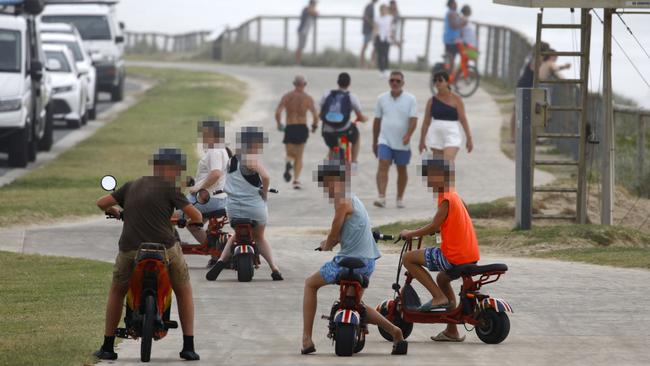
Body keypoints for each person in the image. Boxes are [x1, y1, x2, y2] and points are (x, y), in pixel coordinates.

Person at [94, 148, 202, 361]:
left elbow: (102, 203)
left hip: (130, 249)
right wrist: (194, 222)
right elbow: (196, 215)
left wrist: (117, 213)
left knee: (117, 292)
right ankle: (188, 346)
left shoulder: (131, 186)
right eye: (177, 169)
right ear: (169, 168)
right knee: (183, 289)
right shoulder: (171, 189)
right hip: (165, 250)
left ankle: (107, 346)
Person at [301, 160, 408, 355]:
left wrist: (327, 244)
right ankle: (395, 330)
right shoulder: (354, 199)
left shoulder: (342, 201)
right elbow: (344, 232)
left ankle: (306, 339)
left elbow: (335, 233)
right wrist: (332, 240)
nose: (328, 189)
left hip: (346, 262)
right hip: (367, 264)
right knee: (355, 305)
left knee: (310, 284)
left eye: (328, 184)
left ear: (338, 181)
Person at [399, 157, 480, 342]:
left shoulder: (445, 197)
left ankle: (437, 297)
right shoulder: (455, 195)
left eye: (429, 177)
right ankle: (452, 330)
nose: (428, 181)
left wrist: (410, 233)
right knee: (443, 278)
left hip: (453, 256)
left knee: (409, 258)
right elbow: (447, 222)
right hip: (470, 255)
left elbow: (434, 226)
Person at [206, 127, 283, 281]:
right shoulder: (250, 158)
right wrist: (264, 193)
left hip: (233, 209)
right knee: (259, 237)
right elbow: (266, 177)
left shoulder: (231, 160)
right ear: (254, 143)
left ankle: (221, 261)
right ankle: (274, 268)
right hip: (254, 208)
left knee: (235, 234)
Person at [184, 119, 230, 268]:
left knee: (168, 212)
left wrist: (198, 188)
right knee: (193, 225)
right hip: (218, 198)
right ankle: (216, 253)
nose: (202, 137)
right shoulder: (222, 149)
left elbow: (216, 174)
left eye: (203, 134)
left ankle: (169, 247)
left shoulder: (214, 151)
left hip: (207, 199)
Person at [372, 70, 418, 209]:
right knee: (383, 163)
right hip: (384, 139)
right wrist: (375, 141)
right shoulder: (381, 98)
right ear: (389, 82)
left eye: (398, 81)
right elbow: (377, 121)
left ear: (403, 83)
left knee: (401, 169)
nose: (395, 83)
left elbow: (414, 119)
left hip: (402, 142)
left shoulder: (411, 99)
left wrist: (408, 135)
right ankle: (381, 197)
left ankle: (399, 198)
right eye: (392, 80)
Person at [275, 75, 319, 189]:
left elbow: (278, 112)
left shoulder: (287, 96)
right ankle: (296, 180)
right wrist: (314, 126)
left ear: (294, 84)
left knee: (290, 153)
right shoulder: (308, 98)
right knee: (299, 156)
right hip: (302, 127)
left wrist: (279, 124)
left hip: (290, 127)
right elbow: (315, 115)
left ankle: (288, 162)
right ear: (304, 85)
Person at [419, 71, 473, 162]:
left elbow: (463, 119)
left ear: (447, 82)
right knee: (437, 170)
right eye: (435, 80)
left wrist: (469, 138)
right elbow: (426, 122)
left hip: (452, 134)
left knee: (448, 162)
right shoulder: (431, 101)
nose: (437, 83)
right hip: (436, 135)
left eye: (440, 80)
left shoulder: (456, 99)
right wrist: (422, 141)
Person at [320, 72, 368, 169]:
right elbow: (360, 116)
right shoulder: (351, 96)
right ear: (349, 84)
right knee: (356, 136)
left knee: (332, 147)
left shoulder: (327, 94)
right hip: (344, 131)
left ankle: (329, 167)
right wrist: (363, 119)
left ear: (337, 82)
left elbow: (321, 114)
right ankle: (354, 163)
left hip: (327, 132)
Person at [509, 41, 550, 142]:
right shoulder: (537, 59)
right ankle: (515, 137)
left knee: (523, 111)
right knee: (522, 111)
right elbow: (538, 73)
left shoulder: (532, 57)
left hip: (524, 84)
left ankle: (517, 136)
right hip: (526, 85)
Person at [443, 0, 466, 72]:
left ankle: (450, 75)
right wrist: (462, 24)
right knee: (451, 59)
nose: (456, 5)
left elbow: (458, 23)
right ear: (451, 5)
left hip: (454, 40)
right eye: (455, 4)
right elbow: (453, 25)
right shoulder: (451, 13)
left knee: (452, 58)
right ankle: (449, 75)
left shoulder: (455, 13)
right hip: (451, 40)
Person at [374, 4, 394, 78]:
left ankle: (386, 70)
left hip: (387, 37)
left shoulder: (390, 17)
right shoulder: (377, 18)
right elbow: (376, 27)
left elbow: (391, 27)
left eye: (385, 9)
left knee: (386, 54)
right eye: (383, 10)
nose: (384, 11)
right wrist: (374, 36)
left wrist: (392, 36)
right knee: (380, 55)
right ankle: (381, 70)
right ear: (380, 10)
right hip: (379, 37)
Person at [296, 0, 318, 65]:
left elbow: (316, 14)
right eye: (314, 4)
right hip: (302, 31)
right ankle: (298, 63)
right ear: (312, 4)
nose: (315, 6)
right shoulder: (306, 9)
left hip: (305, 31)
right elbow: (314, 13)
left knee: (301, 47)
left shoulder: (308, 9)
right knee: (300, 47)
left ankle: (299, 62)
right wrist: (314, 10)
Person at [360, 0, 378, 68]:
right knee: (365, 47)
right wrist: (373, 24)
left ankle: (370, 65)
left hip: (371, 30)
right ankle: (363, 65)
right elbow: (366, 17)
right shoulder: (369, 6)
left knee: (374, 47)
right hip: (368, 30)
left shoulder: (372, 6)